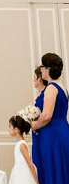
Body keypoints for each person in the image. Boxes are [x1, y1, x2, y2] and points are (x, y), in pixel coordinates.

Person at [30, 53, 69, 184]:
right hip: (62, 131)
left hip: (52, 135)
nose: (41, 69)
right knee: (61, 167)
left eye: (43, 66)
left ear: (48, 69)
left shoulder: (51, 88)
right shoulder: (61, 86)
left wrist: (33, 125)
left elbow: (46, 116)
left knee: (52, 167)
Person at [8, 114, 39, 184]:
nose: (9, 129)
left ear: (16, 129)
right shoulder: (19, 144)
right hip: (18, 173)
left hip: (23, 175)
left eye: (10, 126)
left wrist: (36, 180)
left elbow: (29, 163)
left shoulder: (22, 145)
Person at [31, 65, 47, 178]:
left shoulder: (46, 95)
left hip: (43, 131)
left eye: (34, 78)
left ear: (39, 79)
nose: (33, 80)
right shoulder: (41, 95)